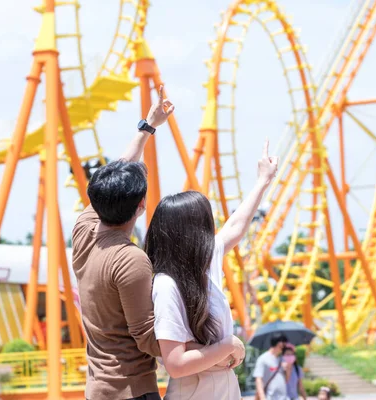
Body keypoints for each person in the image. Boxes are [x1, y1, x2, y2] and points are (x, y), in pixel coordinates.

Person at [72, 87, 242, 400]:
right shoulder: (130, 260)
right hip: (131, 390)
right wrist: (220, 350)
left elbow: (113, 178)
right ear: (141, 207)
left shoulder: (84, 233)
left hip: (98, 388)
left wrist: (147, 127)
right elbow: (150, 338)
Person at [146, 138, 279, 398]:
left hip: (221, 386)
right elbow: (175, 364)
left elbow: (236, 227)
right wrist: (229, 345)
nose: (213, 230)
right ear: (193, 233)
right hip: (196, 390)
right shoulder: (166, 284)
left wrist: (263, 180)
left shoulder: (203, 264)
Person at [253, 333, 289, 400]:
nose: (285, 346)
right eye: (284, 344)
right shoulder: (263, 359)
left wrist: (287, 370)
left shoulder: (281, 359)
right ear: (279, 343)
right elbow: (258, 380)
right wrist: (262, 397)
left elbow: (286, 380)